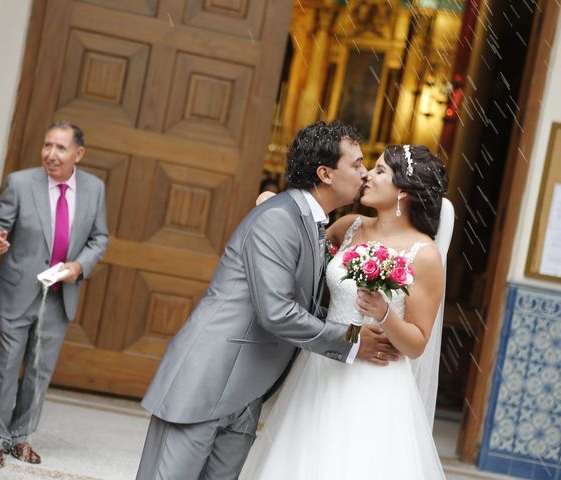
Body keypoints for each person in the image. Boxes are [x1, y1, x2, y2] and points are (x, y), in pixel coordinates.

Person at [136, 121, 400, 480]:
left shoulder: (310, 222)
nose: (364, 173)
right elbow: (276, 312)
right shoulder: (280, 218)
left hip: (245, 391)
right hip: (206, 382)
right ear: (325, 173)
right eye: (355, 164)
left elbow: (302, 305)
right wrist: (351, 341)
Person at [241, 144, 453, 479]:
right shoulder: (350, 226)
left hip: (373, 380)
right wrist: (274, 208)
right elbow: (300, 248)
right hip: (322, 363)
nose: (368, 175)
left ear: (403, 192)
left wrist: (384, 313)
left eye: (380, 171)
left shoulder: (424, 254)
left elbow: (417, 344)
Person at [0, 121, 109, 468]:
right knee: (4, 366)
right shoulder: (21, 182)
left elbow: (100, 238)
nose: (51, 154)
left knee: (39, 369)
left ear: (78, 154)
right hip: (18, 289)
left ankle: (21, 437)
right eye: (47, 145)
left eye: (60, 148)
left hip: (59, 294)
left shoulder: (94, 189)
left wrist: (79, 267)